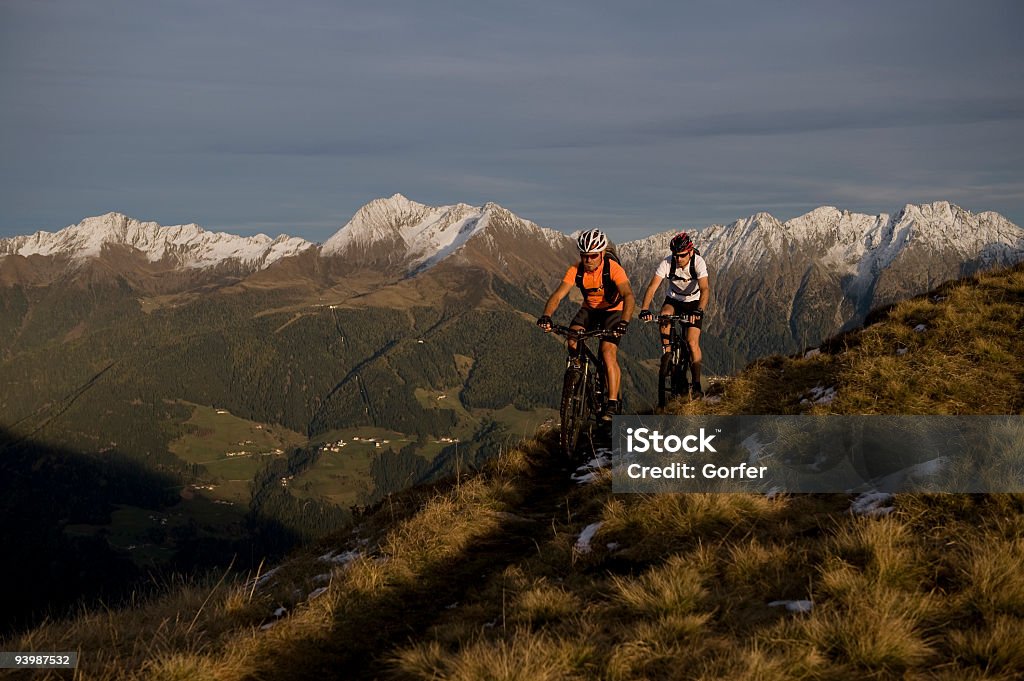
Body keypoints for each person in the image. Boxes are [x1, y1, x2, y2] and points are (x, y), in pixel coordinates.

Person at [537, 229, 636, 421]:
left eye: (592, 256)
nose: (588, 260)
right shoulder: (575, 270)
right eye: (584, 256)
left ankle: (612, 403)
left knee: (608, 353)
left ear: (601, 253)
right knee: (572, 340)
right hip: (590, 309)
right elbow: (557, 295)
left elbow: (628, 295)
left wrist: (624, 322)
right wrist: (546, 316)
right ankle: (579, 373)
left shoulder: (613, 268)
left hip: (614, 310)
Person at [637, 231, 710, 394]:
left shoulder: (698, 262)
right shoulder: (667, 263)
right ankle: (668, 355)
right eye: (675, 255)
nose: (678, 259)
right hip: (674, 300)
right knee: (664, 316)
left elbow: (705, 289)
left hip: (693, 302)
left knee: (692, 342)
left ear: (690, 252)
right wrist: (644, 309)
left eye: (682, 255)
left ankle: (696, 384)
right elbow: (652, 287)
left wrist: (699, 311)